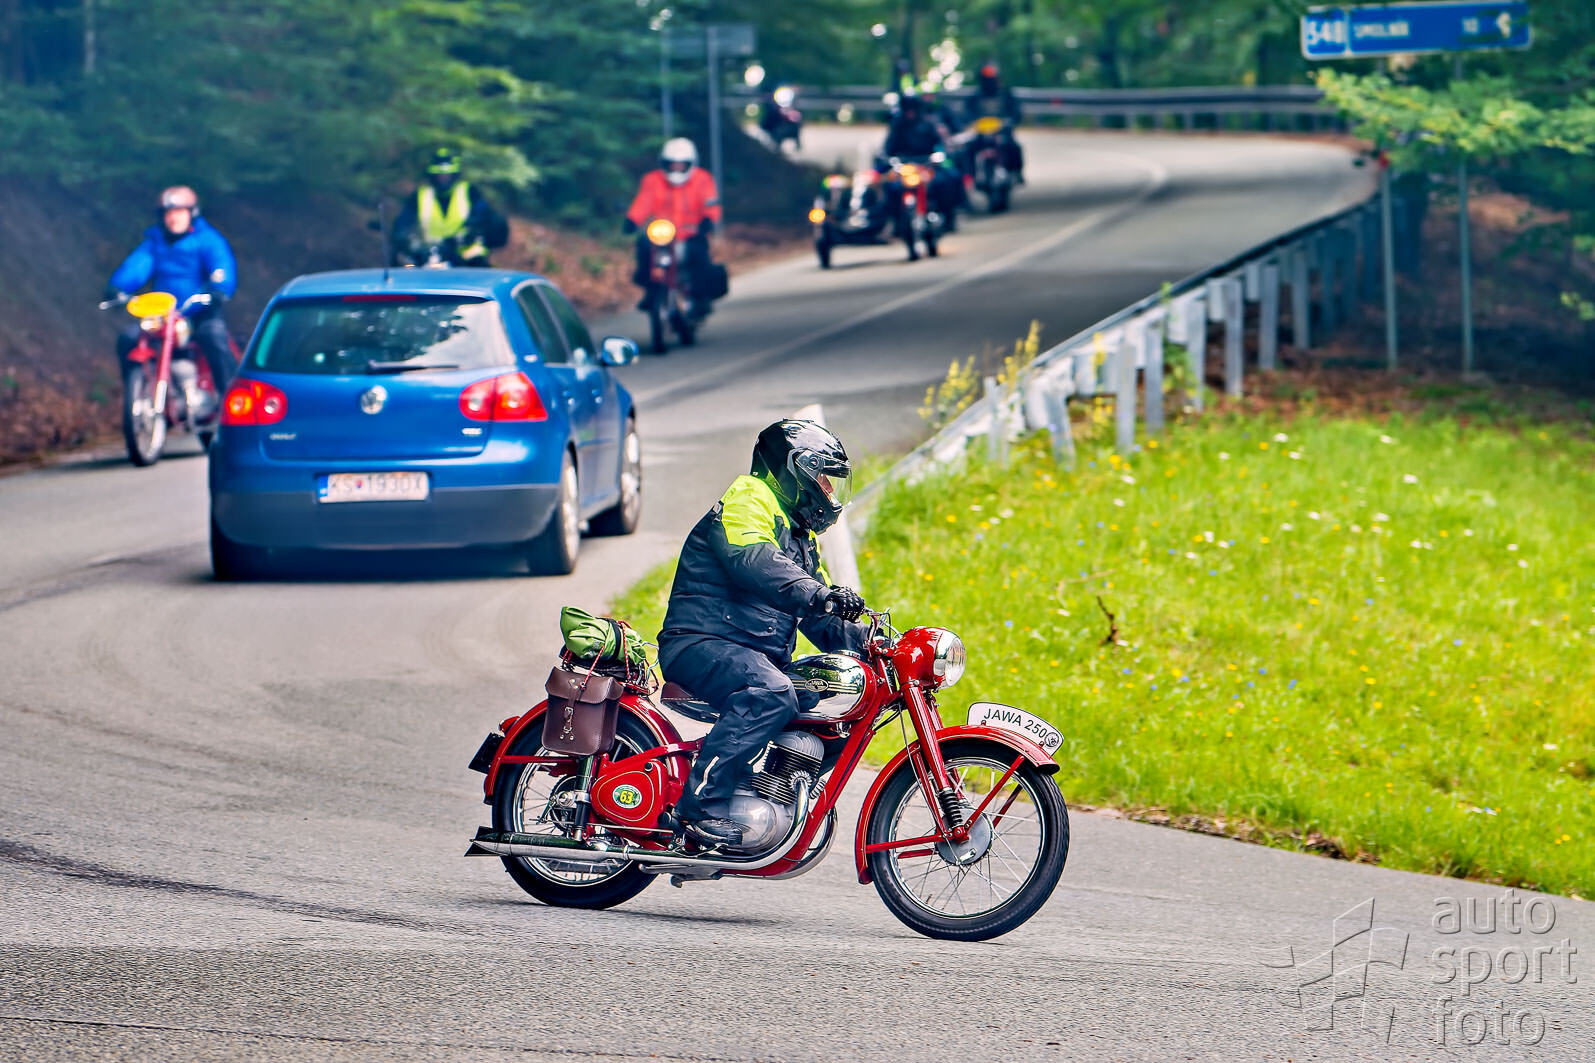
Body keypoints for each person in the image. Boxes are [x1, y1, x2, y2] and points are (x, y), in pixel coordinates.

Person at [658, 420, 868, 847]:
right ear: (795, 470)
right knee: (771, 692)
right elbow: (754, 560)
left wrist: (873, 645)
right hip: (701, 642)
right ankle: (700, 807)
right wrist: (819, 595)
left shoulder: (800, 536)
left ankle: (769, 793)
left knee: (835, 702)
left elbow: (819, 615)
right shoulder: (749, 497)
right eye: (824, 479)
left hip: (749, 654)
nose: (829, 492)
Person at [106, 185, 238, 392]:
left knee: (213, 336)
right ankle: (136, 391)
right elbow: (137, 267)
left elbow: (221, 267)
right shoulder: (155, 242)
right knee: (129, 338)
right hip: (162, 315)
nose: (173, 218)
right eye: (168, 213)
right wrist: (118, 288)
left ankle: (229, 397)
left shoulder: (208, 240)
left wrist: (219, 289)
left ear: (192, 213)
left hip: (197, 312)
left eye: (179, 212)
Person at [624, 138, 723, 320]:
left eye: (681, 164)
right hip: (662, 234)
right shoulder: (653, 180)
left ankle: (700, 298)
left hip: (690, 233)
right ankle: (651, 290)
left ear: (690, 163)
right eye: (672, 164)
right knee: (644, 247)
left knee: (699, 255)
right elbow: (643, 203)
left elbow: (710, 203)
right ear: (665, 163)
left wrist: (708, 220)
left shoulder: (702, 179)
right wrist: (632, 220)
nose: (676, 168)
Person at [391, 147, 509, 267]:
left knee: (478, 263)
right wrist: (409, 242)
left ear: (454, 175)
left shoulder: (469, 192)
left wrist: (471, 231)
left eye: (447, 175)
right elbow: (402, 225)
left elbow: (486, 217)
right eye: (439, 175)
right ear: (432, 176)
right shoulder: (421, 196)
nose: (443, 179)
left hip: (467, 256)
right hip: (431, 256)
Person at [882, 93, 962, 224]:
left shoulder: (928, 124)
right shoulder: (897, 126)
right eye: (907, 109)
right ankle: (896, 222)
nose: (910, 113)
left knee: (947, 180)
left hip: (927, 165)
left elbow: (940, 144)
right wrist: (888, 158)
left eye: (912, 109)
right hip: (906, 167)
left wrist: (940, 155)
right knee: (891, 187)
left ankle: (947, 216)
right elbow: (888, 148)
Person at [963, 62, 1025, 183]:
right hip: (982, 134)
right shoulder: (975, 97)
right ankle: (970, 176)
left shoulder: (1006, 95)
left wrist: (1011, 120)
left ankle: (1016, 172)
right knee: (968, 148)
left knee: (1014, 147)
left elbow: (1015, 111)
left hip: (1002, 131)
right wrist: (971, 121)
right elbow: (967, 113)